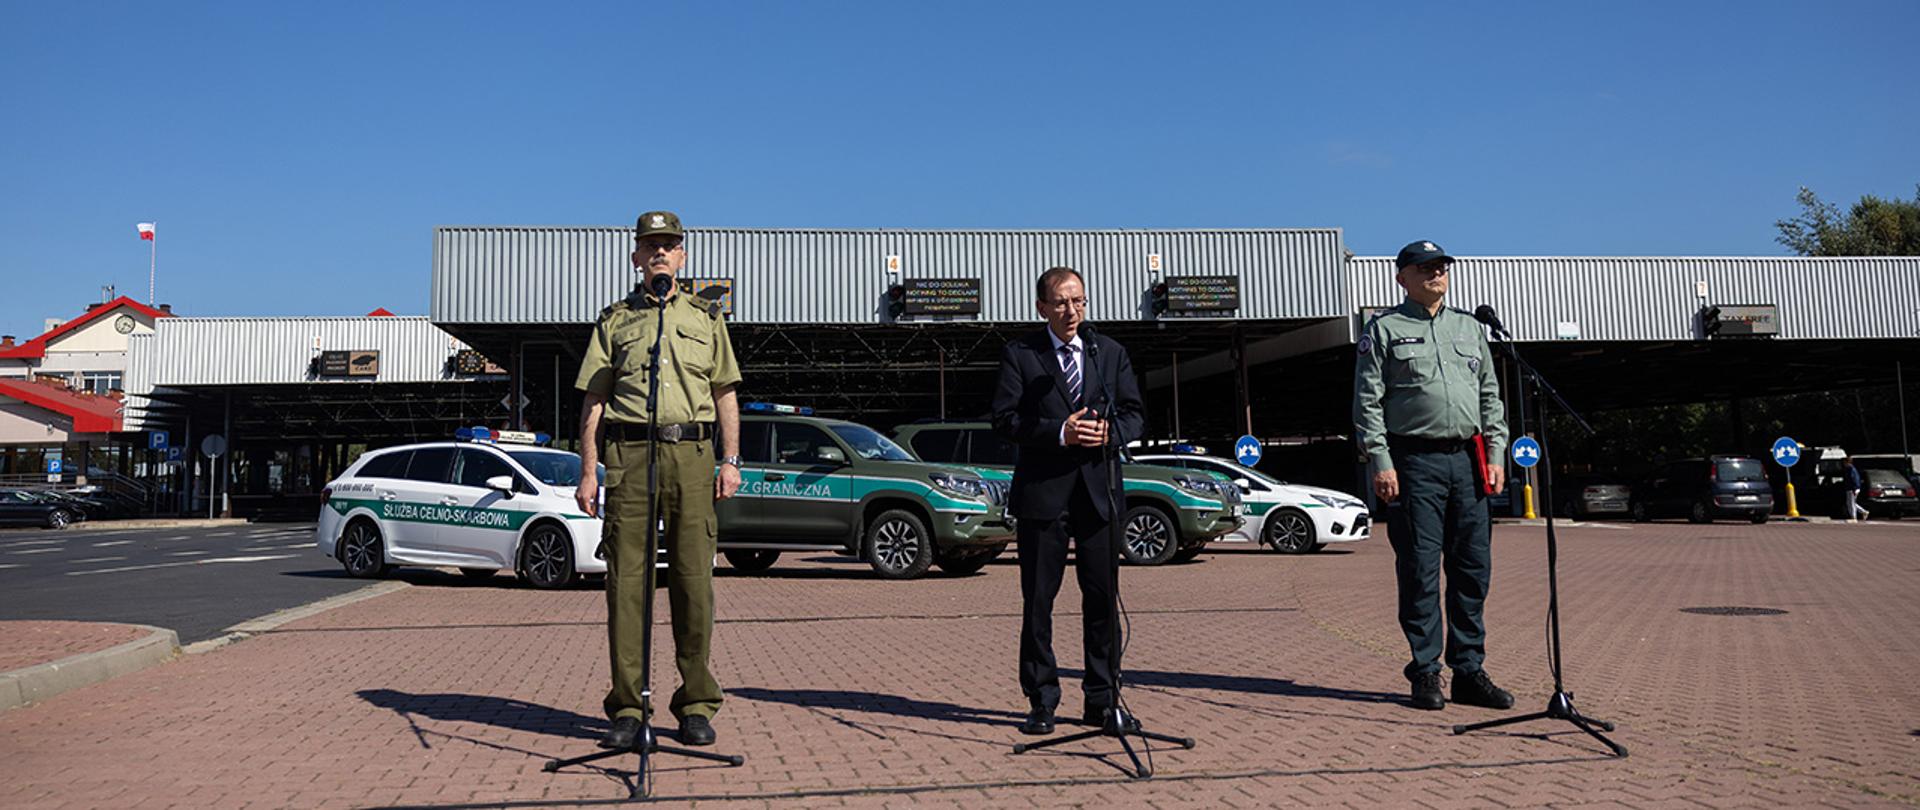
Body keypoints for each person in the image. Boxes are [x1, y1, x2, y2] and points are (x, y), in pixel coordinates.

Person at [575, 210, 744, 749]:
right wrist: (587, 471)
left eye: (669, 246)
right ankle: (628, 708)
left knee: (694, 583)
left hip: (692, 456)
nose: (660, 254)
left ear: (682, 256)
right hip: (629, 457)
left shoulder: (706, 318)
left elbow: (724, 392)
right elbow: (595, 399)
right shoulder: (615, 321)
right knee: (627, 586)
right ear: (636, 258)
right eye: (651, 246)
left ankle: (695, 704)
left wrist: (731, 459)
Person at [1352, 240, 1514, 712]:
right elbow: (1367, 402)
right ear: (1402, 278)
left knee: (1472, 569)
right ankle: (1426, 671)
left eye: (1441, 266)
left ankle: (1469, 671)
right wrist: (1381, 461)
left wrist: (1497, 454)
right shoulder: (1384, 330)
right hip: (1414, 463)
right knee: (1420, 570)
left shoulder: (1470, 327)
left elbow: (1490, 396)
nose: (1435, 274)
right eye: (1424, 268)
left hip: (1467, 461)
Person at [990, 265, 1145, 735]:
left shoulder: (1108, 352)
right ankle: (1041, 700)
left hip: (1099, 495)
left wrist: (1109, 433)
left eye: (1078, 301)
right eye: (1060, 302)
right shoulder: (1021, 355)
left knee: (1101, 600)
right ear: (1042, 307)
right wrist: (1060, 432)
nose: (1071, 310)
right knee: (1039, 601)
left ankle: (1103, 700)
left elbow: (1135, 415)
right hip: (1043, 496)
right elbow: (1004, 420)